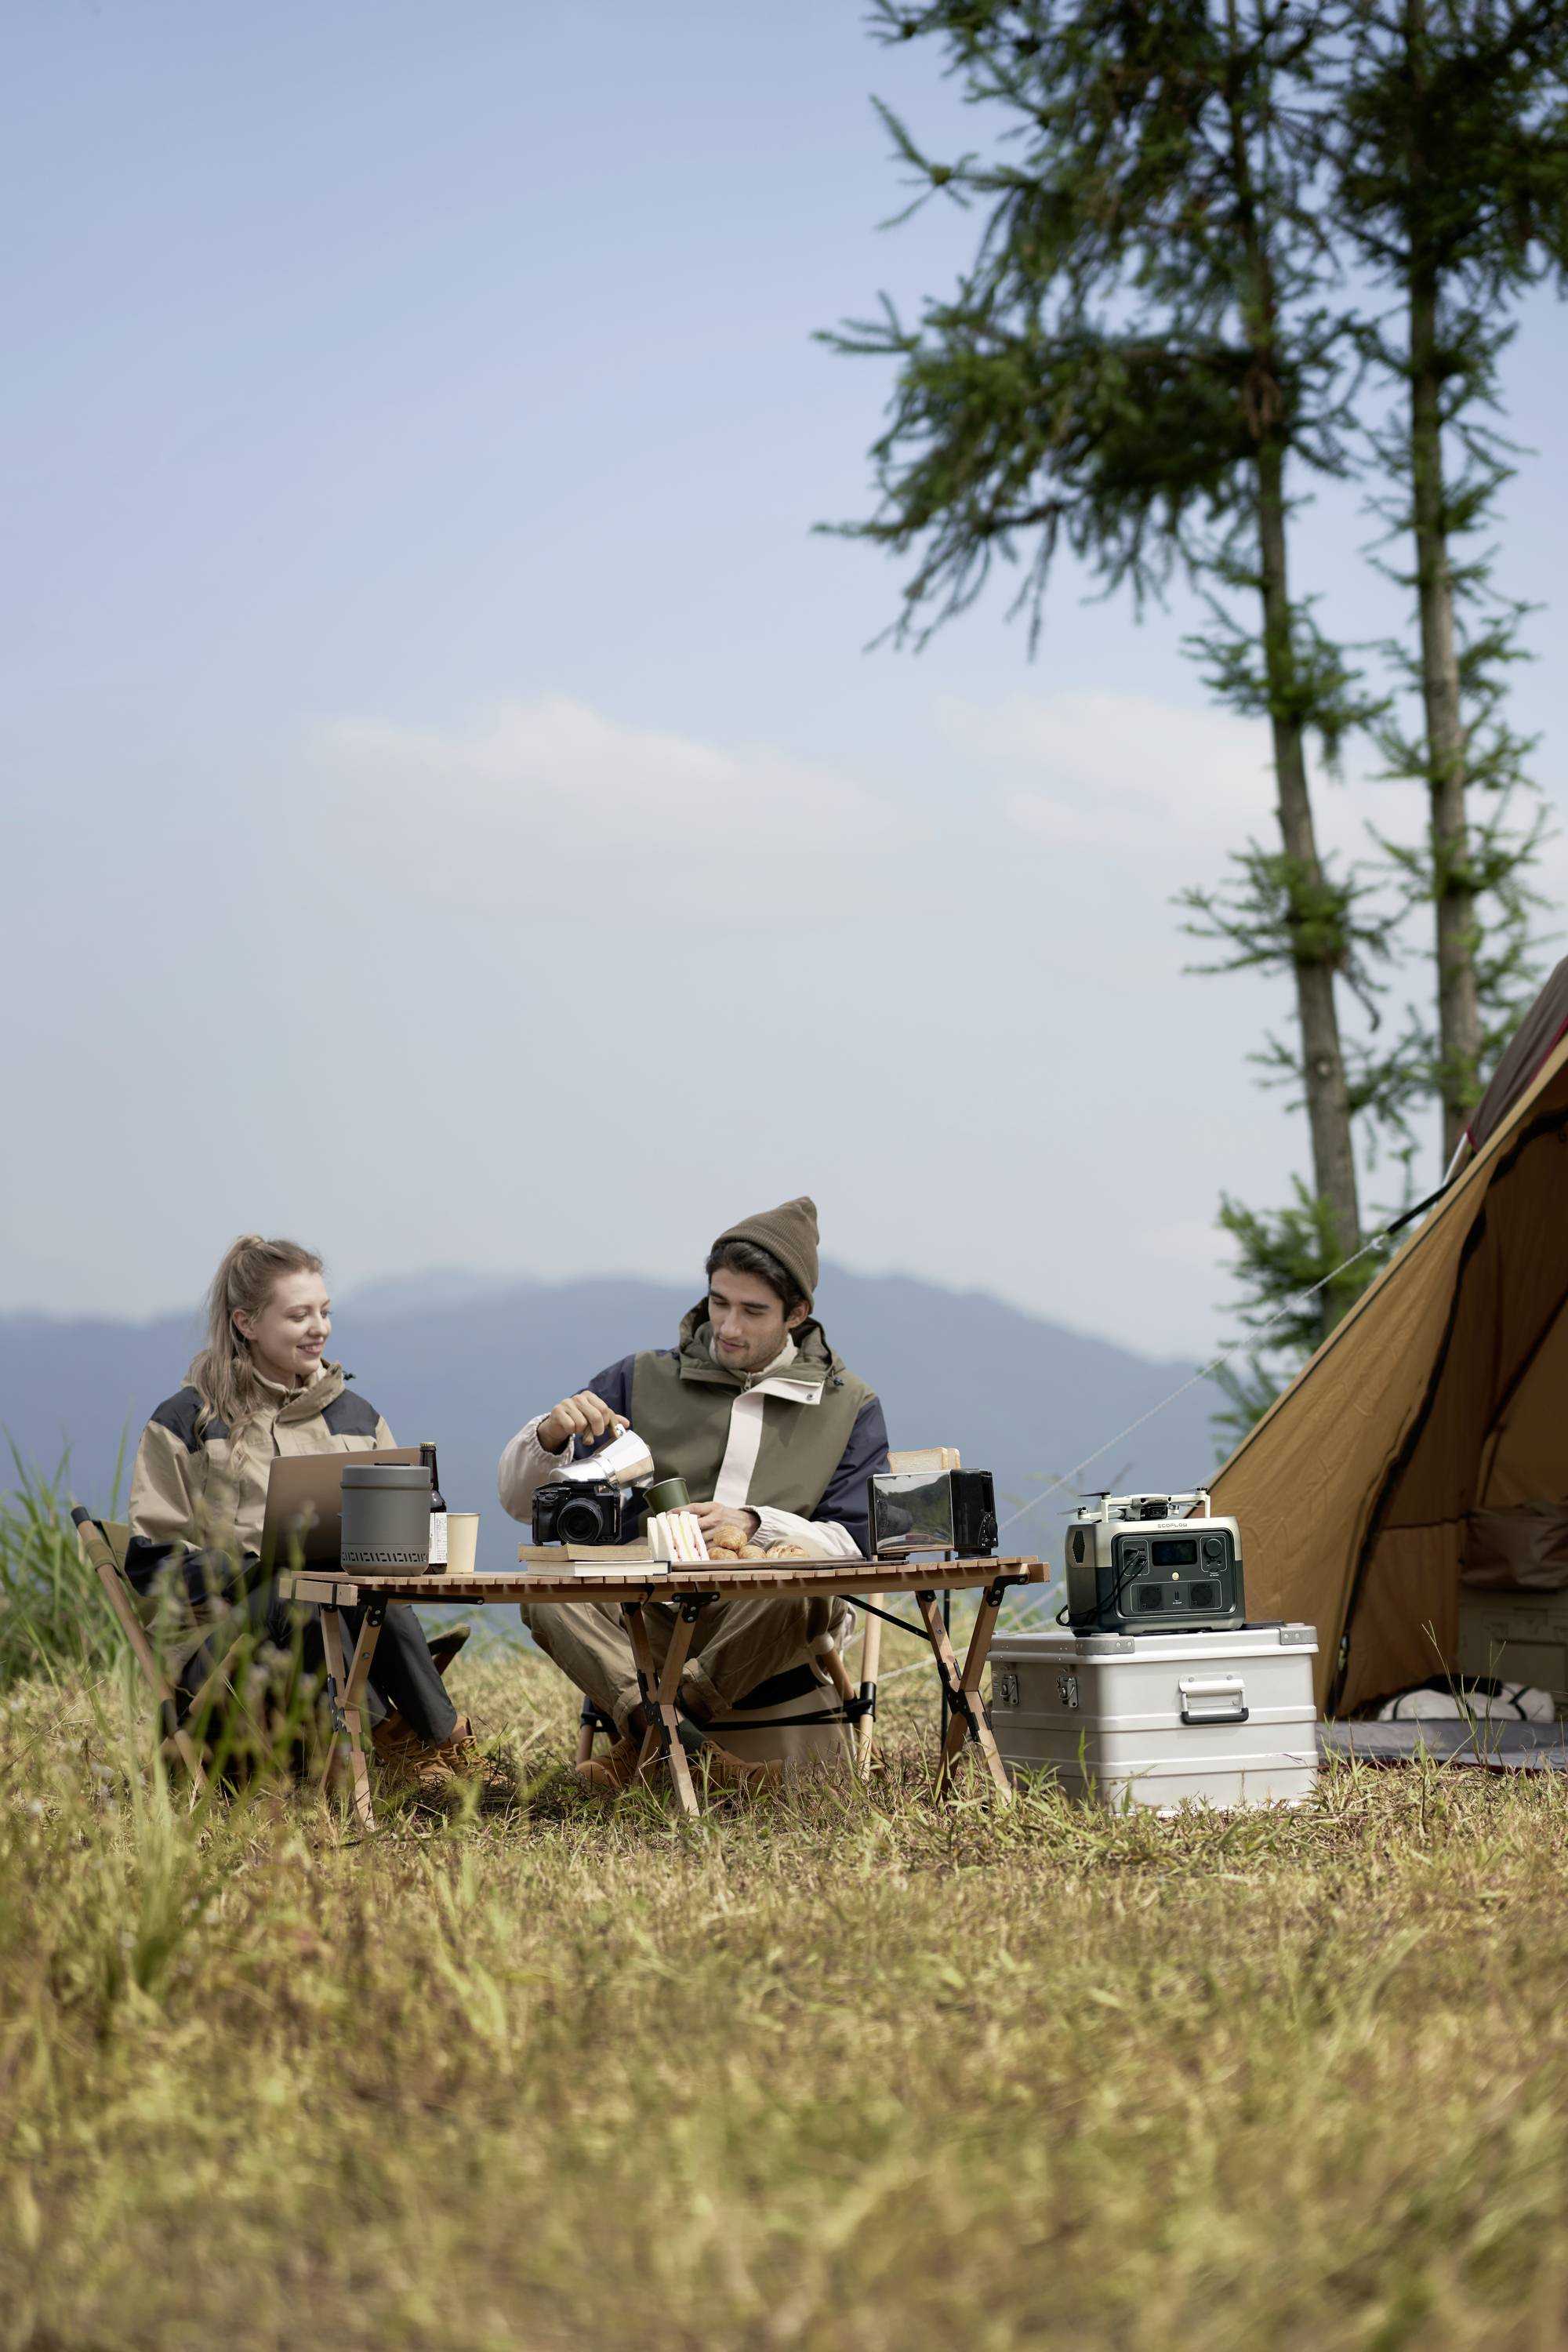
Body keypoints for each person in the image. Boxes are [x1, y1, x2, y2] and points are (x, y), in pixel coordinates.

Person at [498, 1196, 889, 1792]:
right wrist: (549, 1437)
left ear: (797, 1313)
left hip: (764, 1619)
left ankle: (650, 1741)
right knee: (545, 1593)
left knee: (804, 1587)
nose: (728, 1327)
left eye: (753, 1311)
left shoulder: (848, 1405)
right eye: (719, 1302)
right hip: (648, 1612)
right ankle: (696, 1755)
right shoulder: (638, 1378)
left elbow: (859, 1546)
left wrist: (758, 1524)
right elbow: (523, 1504)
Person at [127, 1233, 489, 1798]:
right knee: (299, 1585)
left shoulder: (357, 1417)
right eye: (298, 1315)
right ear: (246, 1323)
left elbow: (402, 1544)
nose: (319, 1327)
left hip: (327, 1625)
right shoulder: (187, 1421)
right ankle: (410, 1741)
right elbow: (149, 1564)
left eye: (324, 1312)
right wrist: (256, 1568)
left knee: (363, 1583)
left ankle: (434, 1743)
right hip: (215, 1649)